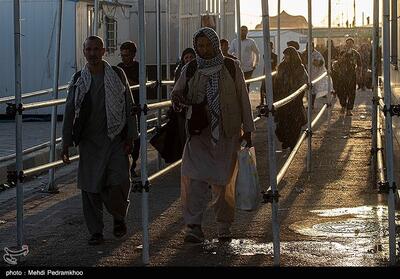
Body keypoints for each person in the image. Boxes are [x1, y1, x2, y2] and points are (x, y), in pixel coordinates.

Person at [171, 27, 255, 243]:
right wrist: (182, 103)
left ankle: (223, 226)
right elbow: (176, 93)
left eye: (208, 45)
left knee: (223, 182)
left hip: (227, 133)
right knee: (193, 177)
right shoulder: (190, 68)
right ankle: (194, 226)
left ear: (215, 45)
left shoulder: (231, 66)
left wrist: (249, 130)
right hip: (199, 134)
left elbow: (242, 98)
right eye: (200, 46)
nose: (204, 49)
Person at [61, 36, 138, 245]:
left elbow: (129, 106)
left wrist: (131, 136)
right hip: (89, 143)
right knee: (90, 188)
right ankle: (96, 231)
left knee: (120, 181)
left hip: (114, 140)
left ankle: (119, 217)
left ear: (103, 51)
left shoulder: (116, 74)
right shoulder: (79, 79)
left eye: (96, 49)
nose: (93, 53)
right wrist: (65, 143)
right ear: (84, 52)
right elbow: (69, 110)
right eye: (89, 49)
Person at [273, 46, 308, 150]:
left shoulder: (299, 67)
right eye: (285, 55)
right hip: (283, 98)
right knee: (282, 123)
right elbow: (277, 81)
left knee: (294, 122)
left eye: (287, 55)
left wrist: (296, 94)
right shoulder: (282, 66)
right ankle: (285, 140)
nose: (286, 57)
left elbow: (304, 81)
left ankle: (292, 142)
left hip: (295, 100)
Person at [117, 41, 141, 180]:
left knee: (135, 137)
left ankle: (133, 165)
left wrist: (126, 82)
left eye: (126, 55)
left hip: (135, 106)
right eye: (122, 55)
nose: (124, 58)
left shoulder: (138, 67)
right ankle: (125, 166)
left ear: (132, 55)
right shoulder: (119, 68)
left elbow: (141, 84)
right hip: (122, 107)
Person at [229, 25, 260, 90]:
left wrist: (255, 64)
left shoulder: (251, 42)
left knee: (246, 85)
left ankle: (246, 99)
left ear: (247, 32)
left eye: (244, 31)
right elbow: (229, 52)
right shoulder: (234, 42)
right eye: (241, 30)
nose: (243, 32)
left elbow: (256, 53)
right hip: (237, 67)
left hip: (248, 68)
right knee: (237, 85)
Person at [301, 42, 327, 109]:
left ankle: (311, 104)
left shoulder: (317, 54)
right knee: (306, 89)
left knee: (312, 90)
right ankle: (308, 103)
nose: (309, 48)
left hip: (314, 74)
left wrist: (317, 63)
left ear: (313, 47)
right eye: (308, 46)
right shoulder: (303, 54)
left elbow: (322, 63)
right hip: (305, 74)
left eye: (311, 46)